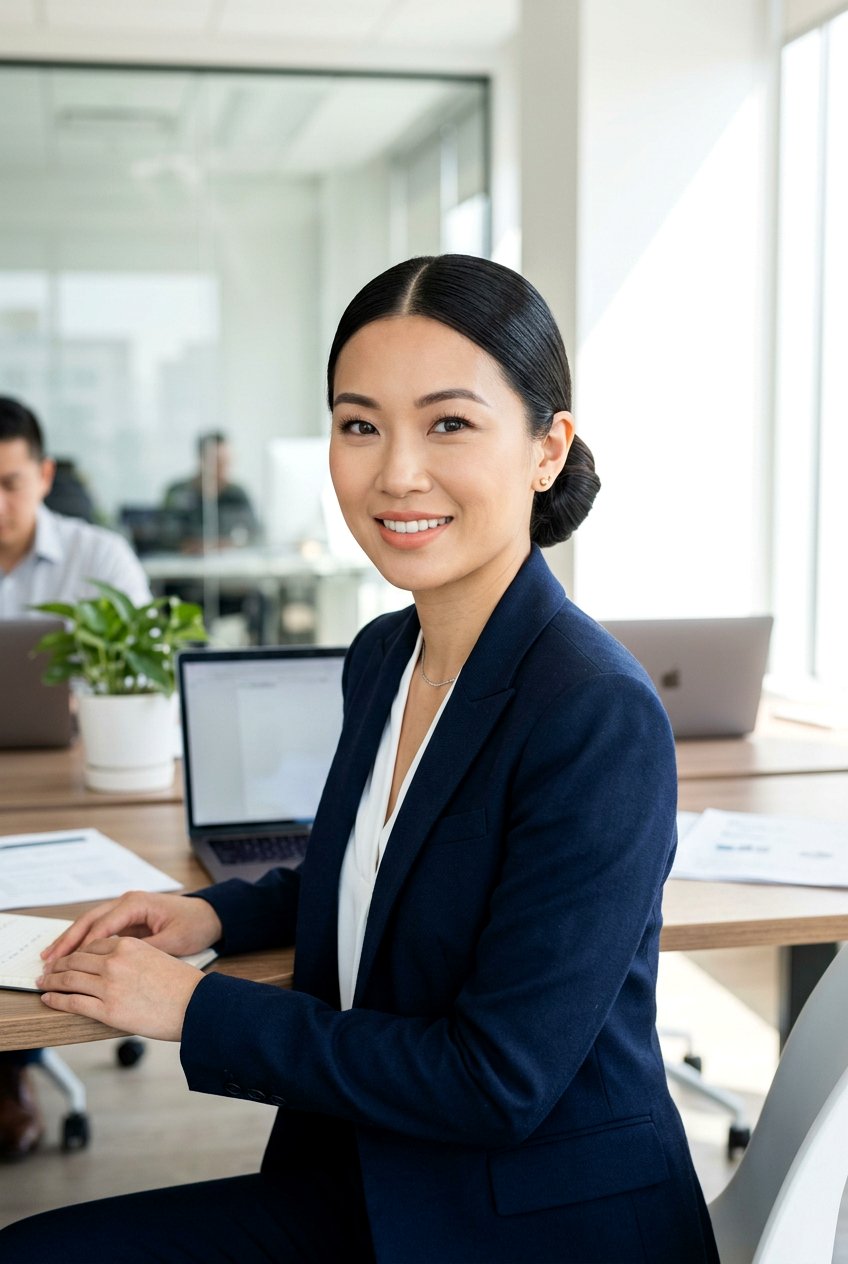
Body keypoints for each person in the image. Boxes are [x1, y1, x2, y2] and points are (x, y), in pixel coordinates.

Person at [0, 256, 719, 1262]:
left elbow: (494, 1080)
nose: (395, 472)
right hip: (376, 1170)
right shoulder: (386, 653)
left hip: (524, 1221)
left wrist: (199, 1008)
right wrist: (212, 913)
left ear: (546, 447)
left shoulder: (593, 714)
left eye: (449, 423)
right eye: (358, 424)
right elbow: (380, 875)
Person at [0, 395, 152, 1162]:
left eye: (9, 483)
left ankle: (11, 1074)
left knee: (43, 913)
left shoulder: (101, 559)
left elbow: (143, 682)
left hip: (79, 787)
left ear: (44, 474)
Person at [163, 431, 258, 550]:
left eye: (227, 462)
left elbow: (254, 533)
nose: (224, 469)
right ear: (201, 460)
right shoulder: (178, 492)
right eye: (218, 462)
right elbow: (164, 533)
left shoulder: (237, 494)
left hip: (225, 562)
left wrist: (223, 545)